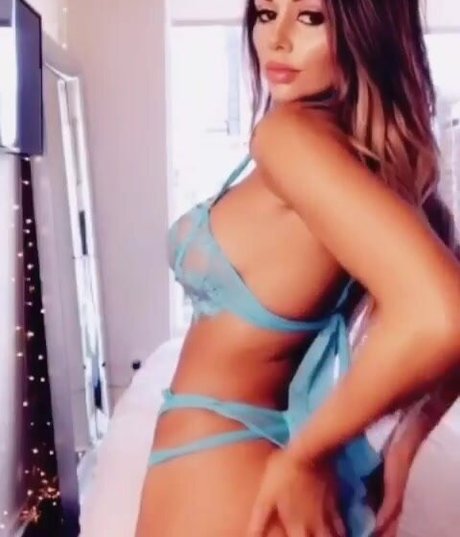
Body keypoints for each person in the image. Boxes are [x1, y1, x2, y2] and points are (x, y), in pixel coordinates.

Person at [134, 1, 460, 536]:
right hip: (241, 468)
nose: (277, 39)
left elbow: (441, 314)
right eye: (266, 13)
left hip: (224, 473)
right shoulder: (349, 151)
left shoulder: (290, 138)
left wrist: (307, 456)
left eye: (311, 18)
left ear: (366, 29)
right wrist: (406, 439)